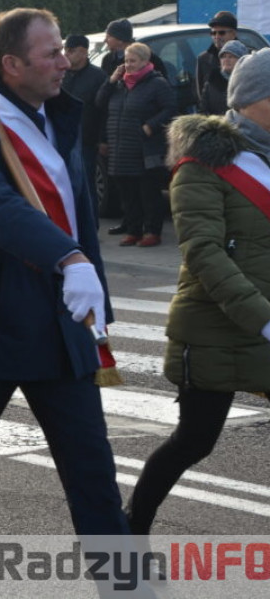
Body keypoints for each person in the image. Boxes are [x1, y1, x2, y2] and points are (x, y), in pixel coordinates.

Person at [0, 8, 128, 562]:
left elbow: (77, 213)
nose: (64, 62)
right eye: (50, 54)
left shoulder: (59, 113)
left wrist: (96, 297)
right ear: (12, 63)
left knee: (93, 469)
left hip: (62, 321)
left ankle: (121, 586)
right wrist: (67, 257)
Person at [125, 48, 270, 535]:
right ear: (254, 100)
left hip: (261, 323)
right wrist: (262, 317)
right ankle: (130, 532)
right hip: (216, 328)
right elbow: (205, 253)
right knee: (194, 441)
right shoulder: (202, 165)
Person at [97, 42, 176, 247]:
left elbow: (170, 108)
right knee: (127, 192)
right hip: (120, 146)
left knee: (147, 192)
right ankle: (133, 230)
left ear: (145, 62)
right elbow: (99, 103)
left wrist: (151, 126)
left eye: (133, 61)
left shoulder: (157, 83)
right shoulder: (119, 83)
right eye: (126, 61)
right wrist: (111, 81)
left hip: (145, 147)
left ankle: (152, 231)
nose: (128, 65)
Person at [62, 33, 108, 217]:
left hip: (87, 140)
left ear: (83, 52)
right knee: (66, 185)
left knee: (87, 186)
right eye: (65, 50)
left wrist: (103, 139)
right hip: (64, 138)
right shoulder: (62, 74)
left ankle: (91, 226)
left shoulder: (97, 77)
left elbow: (105, 110)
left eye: (71, 51)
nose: (66, 54)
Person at [196, 10, 238, 112]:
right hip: (215, 122)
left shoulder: (248, 57)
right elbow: (200, 95)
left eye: (221, 33)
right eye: (213, 33)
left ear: (233, 34)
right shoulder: (203, 59)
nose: (217, 37)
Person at [200, 38, 248, 115]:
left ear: (241, 60)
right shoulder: (212, 79)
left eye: (231, 56)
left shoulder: (249, 81)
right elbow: (203, 110)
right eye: (223, 56)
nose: (226, 60)